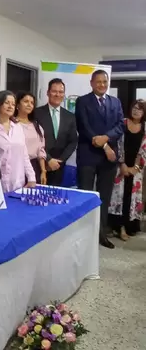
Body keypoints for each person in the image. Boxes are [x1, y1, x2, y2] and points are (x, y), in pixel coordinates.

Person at [75, 69, 124, 249]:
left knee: (104, 197)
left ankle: (101, 234)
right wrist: (104, 145)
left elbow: (120, 126)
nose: (102, 85)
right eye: (98, 82)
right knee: (86, 196)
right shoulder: (82, 101)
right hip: (88, 155)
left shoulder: (115, 102)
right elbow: (84, 127)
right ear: (91, 83)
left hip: (108, 160)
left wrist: (106, 138)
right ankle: (83, 235)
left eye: (105, 81)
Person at [109, 100, 146, 239]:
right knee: (119, 196)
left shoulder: (145, 128)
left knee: (131, 197)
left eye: (140, 109)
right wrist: (123, 164)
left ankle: (129, 226)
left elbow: (144, 151)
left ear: (144, 113)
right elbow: (116, 143)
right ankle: (119, 227)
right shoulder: (122, 123)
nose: (136, 111)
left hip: (136, 169)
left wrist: (135, 167)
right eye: (134, 108)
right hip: (121, 167)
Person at [0, 90, 36, 192]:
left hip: (17, 182)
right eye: (7, 103)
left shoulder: (17, 127)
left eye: (13, 104)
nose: (10, 106)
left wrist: (31, 176)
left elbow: (24, 155)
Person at [35, 79, 77, 186]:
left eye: (61, 92)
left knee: (54, 199)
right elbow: (35, 140)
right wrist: (48, 159)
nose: (57, 94)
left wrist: (59, 161)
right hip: (39, 164)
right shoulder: (36, 113)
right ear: (48, 93)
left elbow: (72, 142)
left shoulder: (70, 116)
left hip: (58, 167)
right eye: (54, 91)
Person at [14, 91, 47, 184]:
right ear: (17, 104)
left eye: (32, 103)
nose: (29, 105)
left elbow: (41, 151)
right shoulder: (13, 124)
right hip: (17, 166)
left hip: (34, 166)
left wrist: (43, 171)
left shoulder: (36, 126)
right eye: (26, 101)